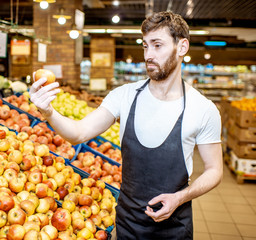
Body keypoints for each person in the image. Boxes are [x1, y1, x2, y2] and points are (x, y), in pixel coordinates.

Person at [29, 11, 223, 240]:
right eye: (145, 46)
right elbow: (78, 133)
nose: (148, 55)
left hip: (175, 229)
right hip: (127, 225)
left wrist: (180, 198)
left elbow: (214, 170)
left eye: (157, 45)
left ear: (182, 47)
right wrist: (49, 112)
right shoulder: (124, 96)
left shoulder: (203, 109)